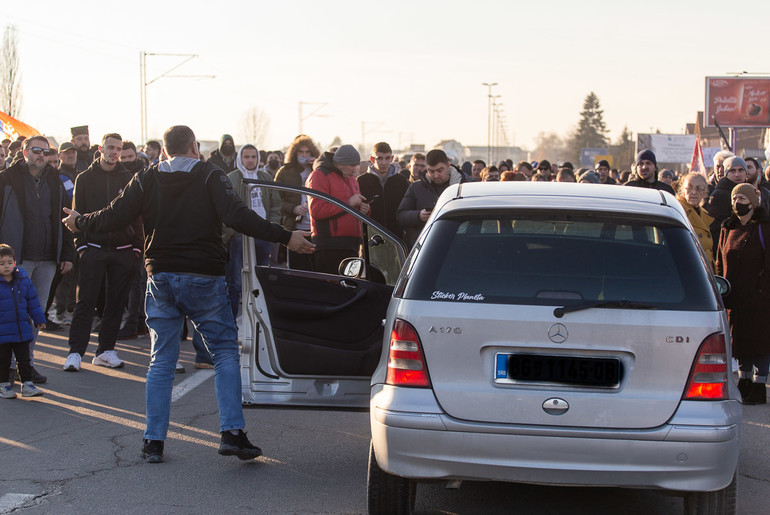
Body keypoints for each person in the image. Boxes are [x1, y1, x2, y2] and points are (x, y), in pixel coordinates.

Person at [62, 125, 314, 463]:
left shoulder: (147, 177)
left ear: (165, 151)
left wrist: (81, 222)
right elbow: (238, 216)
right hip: (203, 277)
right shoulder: (210, 175)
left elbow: (115, 215)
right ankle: (232, 433)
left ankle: (153, 441)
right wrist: (286, 237)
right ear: (194, 147)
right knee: (224, 352)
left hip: (161, 276)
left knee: (161, 360)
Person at [62, 134, 142, 372]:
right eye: (111, 147)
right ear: (101, 149)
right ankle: (75, 353)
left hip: (123, 251)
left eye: (119, 148)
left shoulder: (129, 178)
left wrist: (136, 248)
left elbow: (138, 217)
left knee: (116, 304)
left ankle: (105, 350)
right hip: (93, 250)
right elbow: (76, 217)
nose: (115, 152)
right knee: (85, 303)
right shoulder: (84, 178)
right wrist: (82, 247)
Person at [0, 135, 75, 383]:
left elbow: (64, 219)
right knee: (10, 315)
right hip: (15, 259)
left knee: (35, 315)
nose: (41, 155)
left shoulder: (55, 180)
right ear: (24, 152)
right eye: (36, 150)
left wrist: (66, 254)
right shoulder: (6, 179)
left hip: (47, 259)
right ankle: (6, 368)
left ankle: (25, 366)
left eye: (46, 152)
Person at [715, 183, 770, 405]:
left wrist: (762, 290)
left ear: (753, 202)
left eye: (743, 198)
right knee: (739, 341)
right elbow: (720, 260)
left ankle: (759, 384)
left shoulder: (764, 228)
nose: (738, 202)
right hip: (734, 297)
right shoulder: (727, 228)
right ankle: (744, 380)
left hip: (759, 298)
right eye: (735, 198)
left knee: (760, 341)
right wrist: (722, 287)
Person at [224, 144, 281, 317]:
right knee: (235, 283)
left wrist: (272, 228)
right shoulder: (231, 178)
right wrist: (231, 233)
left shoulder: (265, 177)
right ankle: (231, 323)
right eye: (246, 157)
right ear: (240, 159)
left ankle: (260, 319)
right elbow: (225, 209)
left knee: (261, 280)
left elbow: (276, 204)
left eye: (253, 157)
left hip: (262, 235)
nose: (250, 160)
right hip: (239, 237)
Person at [307, 144, 370, 274]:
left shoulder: (352, 179)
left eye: (356, 165)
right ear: (341, 163)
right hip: (329, 246)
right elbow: (317, 211)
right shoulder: (319, 175)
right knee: (332, 290)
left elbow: (350, 209)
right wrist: (349, 203)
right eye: (352, 165)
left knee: (350, 289)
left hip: (352, 245)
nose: (355, 169)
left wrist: (364, 209)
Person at [0, 244, 47, 399]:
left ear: (14, 262)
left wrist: (39, 319)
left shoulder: (23, 281)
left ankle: (27, 384)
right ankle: (3, 385)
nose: (6, 266)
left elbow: (33, 302)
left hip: (21, 330)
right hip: (3, 333)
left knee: (24, 360)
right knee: (3, 361)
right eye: (1, 263)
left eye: (9, 262)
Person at [397, 149, 464, 248]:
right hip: (424, 246)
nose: (436, 175)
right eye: (431, 171)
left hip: (455, 244)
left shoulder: (462, 187)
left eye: (440, 170)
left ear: (448, 165)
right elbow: (401, 216)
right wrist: (418, 216)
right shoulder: (416, 187)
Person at [274, 135, 320, 271]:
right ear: (295, 153)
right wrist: (293, 208)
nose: (304, 155)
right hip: (295, 227)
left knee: (317, 269)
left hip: (316, 228)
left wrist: (317, 165)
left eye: (307, 152)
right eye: (301, 152)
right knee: (297, 269)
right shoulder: (284, 172)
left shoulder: (318, 171)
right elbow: (276, 201)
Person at [357, 142, 409, 240]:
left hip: (397, 237)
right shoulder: (361, 181)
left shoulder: (401, 181)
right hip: (370, 237)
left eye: (387, 158)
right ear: (372, 159)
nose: (384, 162)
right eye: (379, 158)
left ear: (392, 158)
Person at [707, 156, 748, 257]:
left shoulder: (749, 191)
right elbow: (716, 228)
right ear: (726, 174)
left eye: (741, 170)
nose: (737, 174)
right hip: (728, 249)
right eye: (732, 171)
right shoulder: (718, 195)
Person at [676, 173, 714, 270]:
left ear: (704, 191)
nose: (693, 192)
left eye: (698, 188)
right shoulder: (678, 212)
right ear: (683, 190)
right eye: (689, 188)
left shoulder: (704, 214)